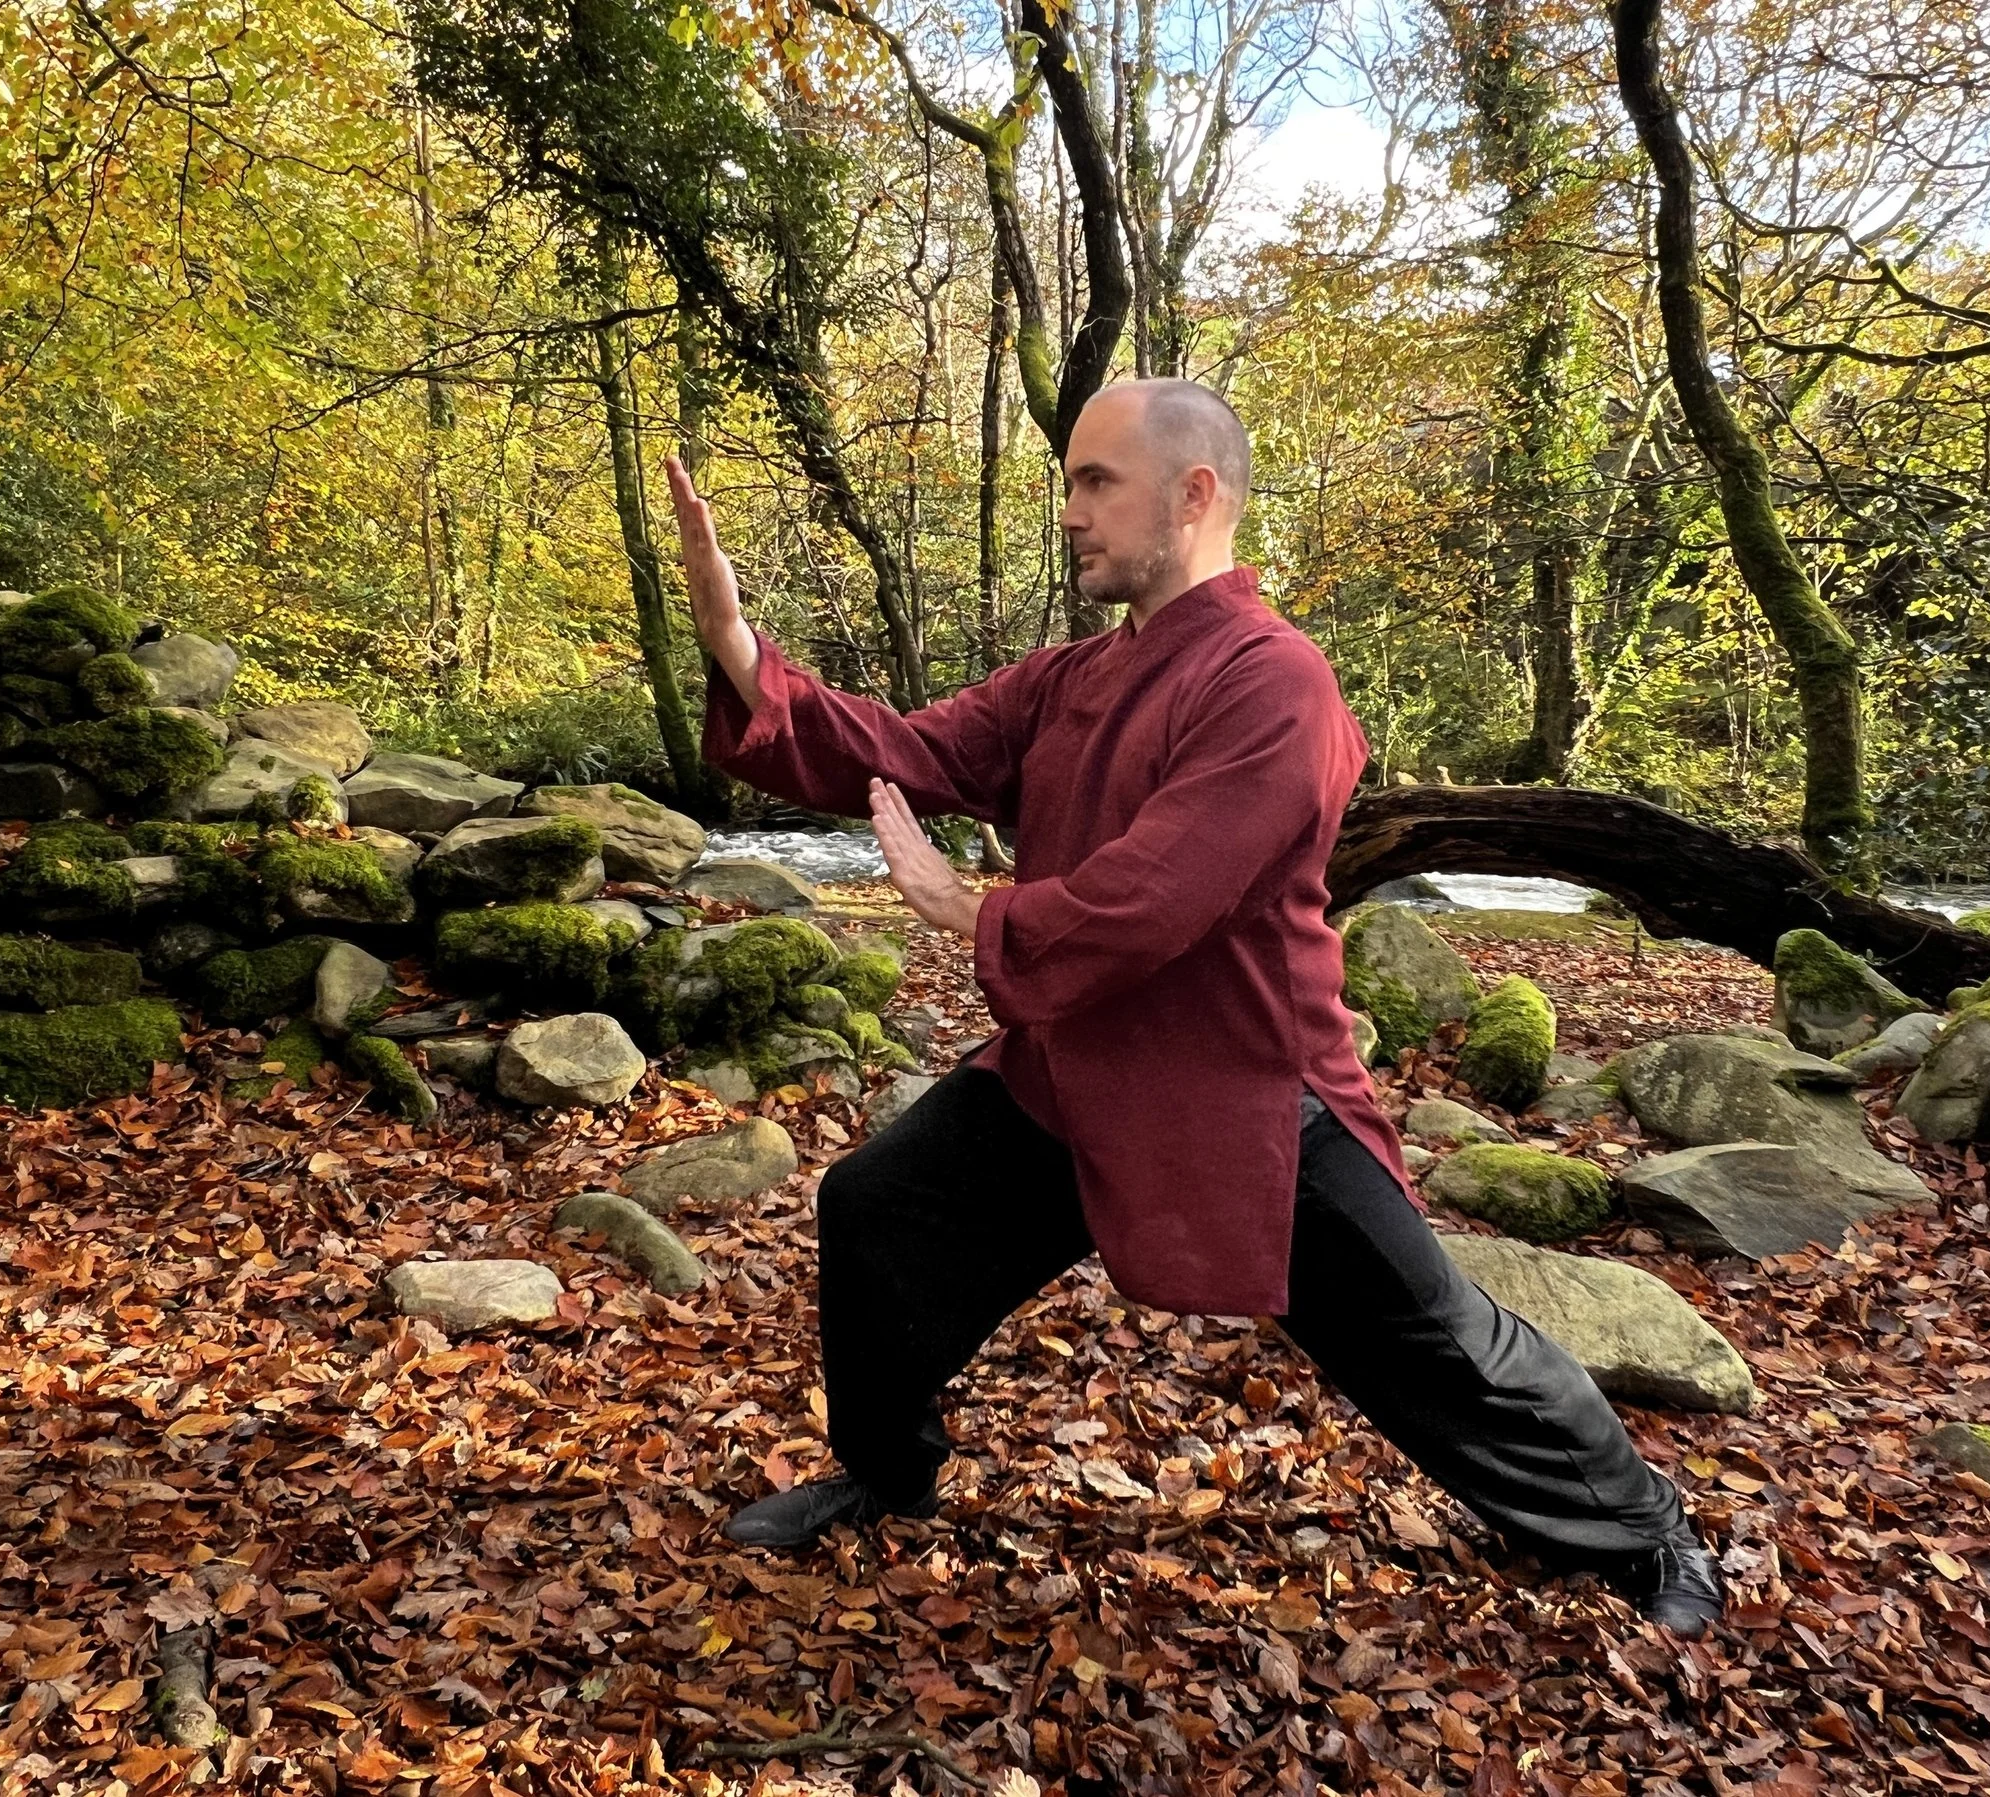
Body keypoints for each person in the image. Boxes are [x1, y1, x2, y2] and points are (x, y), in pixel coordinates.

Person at [660, 379, 1724, 1636]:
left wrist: (972, 914)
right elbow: (906, 748)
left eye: (1094, 482)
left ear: (1195, 494)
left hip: (1244, 1090)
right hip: (1071, 1067)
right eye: (1066, 483)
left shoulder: (1278, 685)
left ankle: (1642, 1530)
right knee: (880, 1206)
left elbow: (1157, 895)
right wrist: (738, 645)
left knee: (1438, 1343)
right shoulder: (1071, 680)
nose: (1070, 511)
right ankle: (887, 1471)